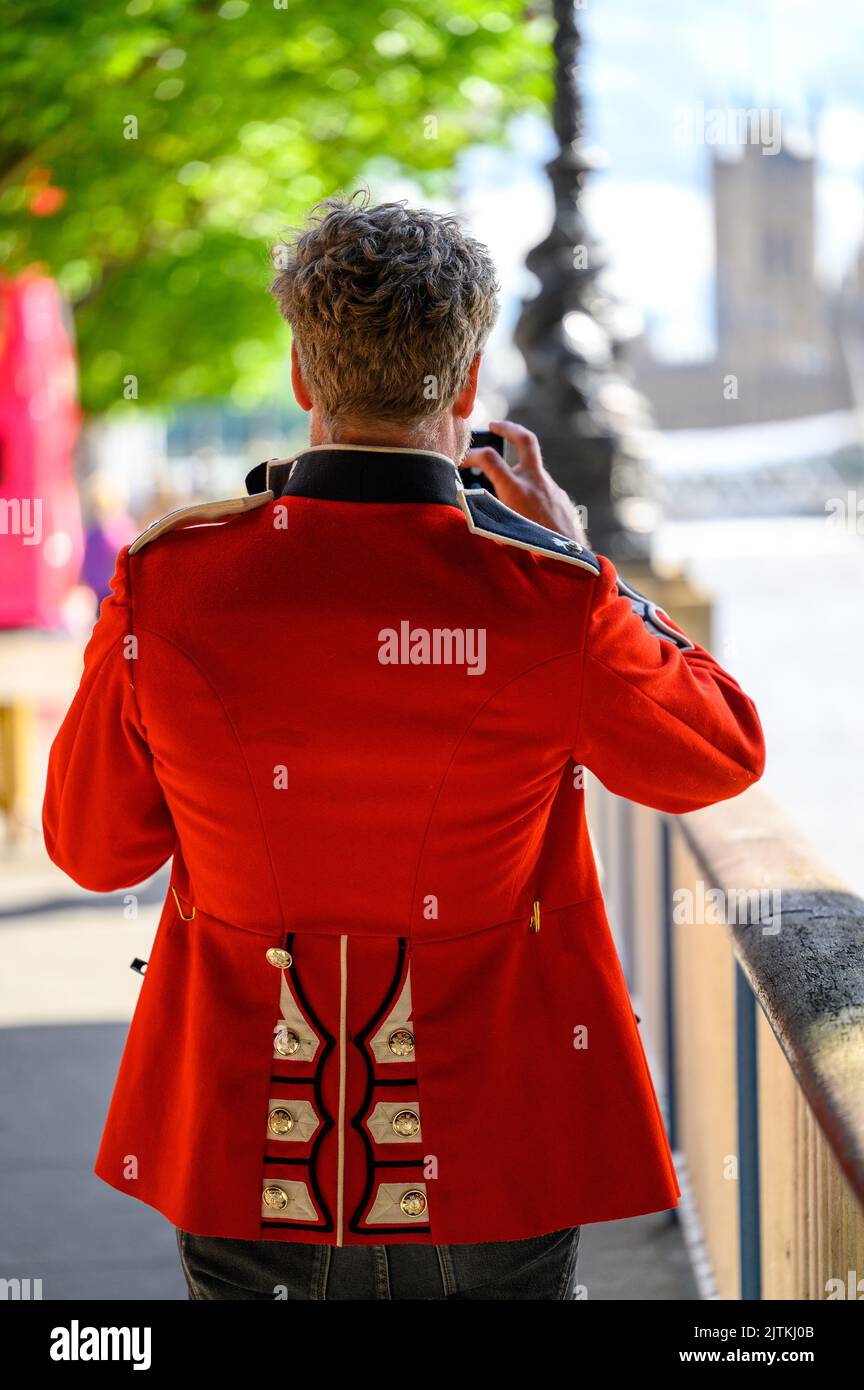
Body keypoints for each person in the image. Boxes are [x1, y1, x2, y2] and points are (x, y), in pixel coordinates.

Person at [43, 194, 765, 1301]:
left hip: (245, 1145)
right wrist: (583, 556)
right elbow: (720, 751)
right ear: (469, 382)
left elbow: (94, 850)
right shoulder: (545, 597)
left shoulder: (171, 581)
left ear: (300, 373)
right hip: (491, 1149)